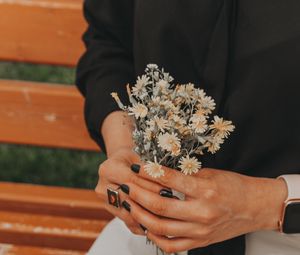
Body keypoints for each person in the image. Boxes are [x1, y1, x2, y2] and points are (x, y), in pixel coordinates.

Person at [76, 1, 300, 254]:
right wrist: (125, 150)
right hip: (156, 229)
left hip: (287, 235)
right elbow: (109, 43)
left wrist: (263, 204)